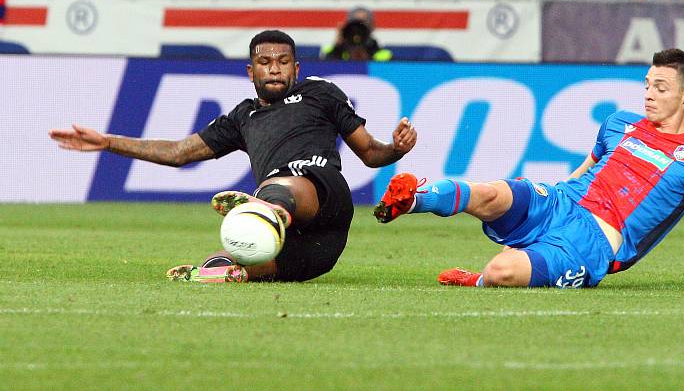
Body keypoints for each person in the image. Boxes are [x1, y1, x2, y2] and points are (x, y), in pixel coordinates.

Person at [50, 30, 417, 283]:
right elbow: (179, 152)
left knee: (279, 183)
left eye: (283, 61)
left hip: (324, 196)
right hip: (318, 250)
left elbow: (370, 153)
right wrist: (109, 142)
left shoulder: (321, 93)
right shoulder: (243, 117)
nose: (275, 67)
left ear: (296, 69)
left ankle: (266, 209)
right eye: (265, 61)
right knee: (237, 254)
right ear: (250, 71)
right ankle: (223, 268)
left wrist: (395, 149)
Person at [374, 49, 684, 291]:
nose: (648, 94)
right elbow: (585, 169)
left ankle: (475, 279)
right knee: (492, 193)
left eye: (660, 87)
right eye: (646, 85)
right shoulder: (619, 123)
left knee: (500, 272)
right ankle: (413, 200)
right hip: (561, 202)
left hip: (590, 241)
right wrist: (548, 199)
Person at [322, 7, 392, 61]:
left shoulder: (385, 55)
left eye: (363, 23)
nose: (358, 29)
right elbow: (324, 71)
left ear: (372, 26)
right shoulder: (331, 50)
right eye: (355, 23)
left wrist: (367, 57)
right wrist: (338, 47)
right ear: (348, 26)